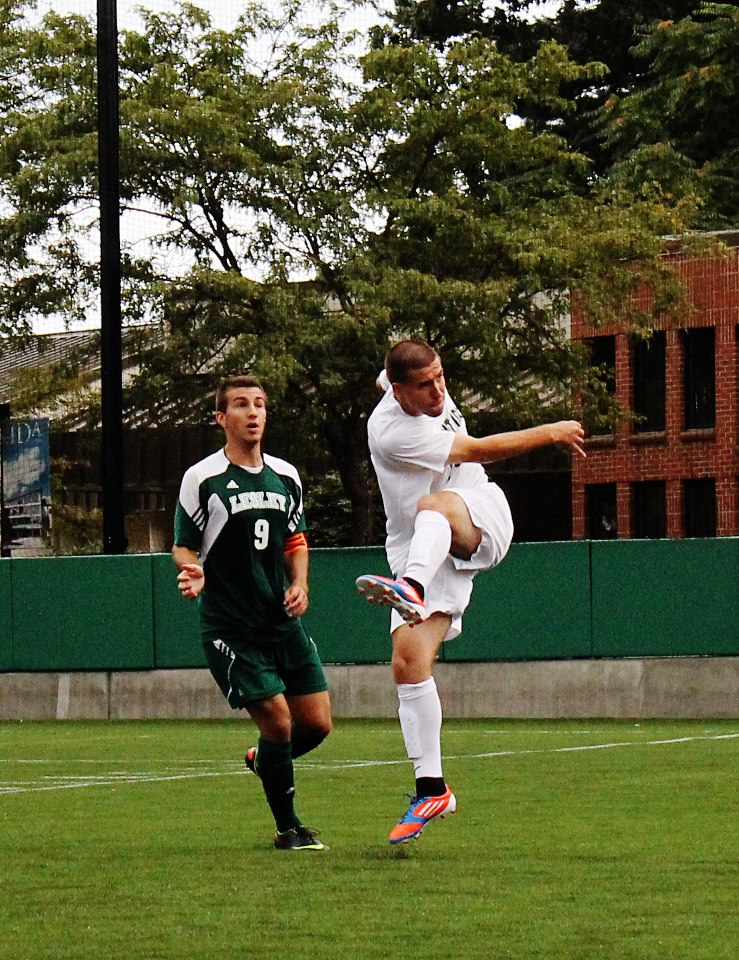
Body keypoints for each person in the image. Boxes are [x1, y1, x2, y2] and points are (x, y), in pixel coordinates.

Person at [356, 340, 585, 845]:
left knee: (433, 505)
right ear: (398, 391)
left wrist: (548, 432)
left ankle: (410, 588)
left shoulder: (405, 382)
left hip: (478, 511)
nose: (439, 390)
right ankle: (431, 788)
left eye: (441, 377)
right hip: (417, 540)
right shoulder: (391, 430)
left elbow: (472, 458)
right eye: (425, 385)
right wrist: (549, 430)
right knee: (408, 662)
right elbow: (477, 446)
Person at [173, 375, 332, 851]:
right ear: (222, 418)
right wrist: (193, 571)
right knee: (279, 723)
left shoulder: (286, 476)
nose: (253, 412)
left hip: (280, 622)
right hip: (231, 628)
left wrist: (299, 584)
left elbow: (295, 541)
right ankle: (289, 828)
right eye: (241, 405)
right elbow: (183, 546)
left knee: (317, 724)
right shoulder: (202, 479)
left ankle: (262, 759)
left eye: (260, 404)